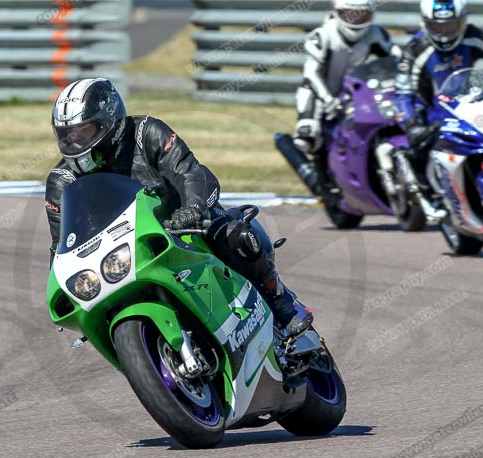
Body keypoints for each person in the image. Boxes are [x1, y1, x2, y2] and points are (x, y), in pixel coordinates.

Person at [45, 78, 313, 336]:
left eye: (84, 131)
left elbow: (189, 171)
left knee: (234, 235)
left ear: (109, 121)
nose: (74, 142)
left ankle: (282, 303)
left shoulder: (146, 133)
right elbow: (61, 246)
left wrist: (193, 208)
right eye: (67, 135)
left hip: (182, 223)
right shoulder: (61, 180)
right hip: (128, 251)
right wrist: (64, 290)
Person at [396, 0, 483, 156]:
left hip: (466, 104)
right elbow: (402, 92)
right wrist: (411, 123)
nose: (444, 33)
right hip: (430, 113)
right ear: (425, 24)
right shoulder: (415, 48)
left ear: (463, 21)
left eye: (451, 25)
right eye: (437, 26)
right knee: (417, 153)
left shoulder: (473, 35)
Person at [293, 0, 400, 194]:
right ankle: (323, 179)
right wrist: (328, 99)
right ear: (337, 12)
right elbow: (311, 74)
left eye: (362, 14)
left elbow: (396, 59)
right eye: (350, 14)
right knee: (307, 136)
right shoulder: (323, 35)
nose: (356, 20)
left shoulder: (377, 34)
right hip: (319, 93)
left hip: (356, 91)